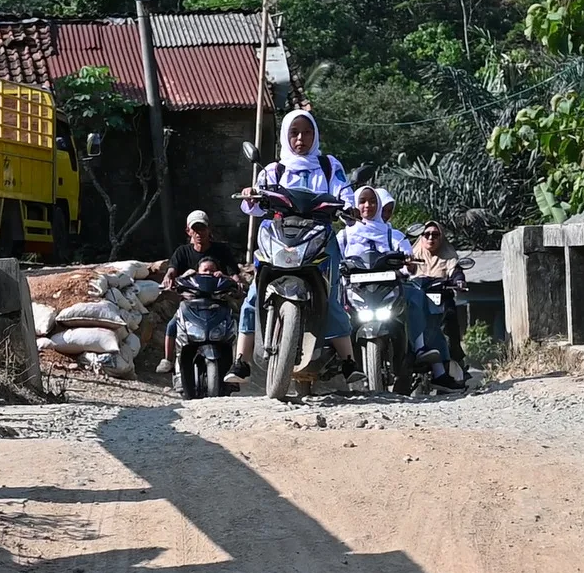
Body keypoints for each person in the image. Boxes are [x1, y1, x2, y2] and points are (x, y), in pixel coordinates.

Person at [227, 109, 364, 386]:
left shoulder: (329, 166)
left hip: (319, 233)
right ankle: (240, 361)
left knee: (332, 294)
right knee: (255, 293)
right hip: (278, 231)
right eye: (294, 132)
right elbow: (253, 203)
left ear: (315, 135)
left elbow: (344, 194)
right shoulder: (273, 170)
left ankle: (348, 361)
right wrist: (249, 194)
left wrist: (349, 208)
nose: (301, 138)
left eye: (307, 132)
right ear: (285, 136)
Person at [340, 187, 458, 390]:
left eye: (372, 202)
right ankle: (335, 357)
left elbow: (407, 255)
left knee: (416, 298)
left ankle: (420, 348)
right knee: (334, 309)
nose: (368, 206)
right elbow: (334, 258)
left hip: (387, 287)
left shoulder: (390, 234)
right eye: (363, 201)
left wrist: (409, 263)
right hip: (355, 289)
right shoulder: (345, 235)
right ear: (355, 205)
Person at [157, 256, 232, 374]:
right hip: (191, 311)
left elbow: (235, 285)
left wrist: (224, 277)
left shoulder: (221, 281)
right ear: (198, 271)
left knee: (235, 326)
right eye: (205, 270)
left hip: (216, 311)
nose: (208, 273)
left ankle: (237, 363)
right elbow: (175, 283)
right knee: (172, 324)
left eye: (212, 270)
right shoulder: (190, 279)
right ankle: (167, 359)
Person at [412, 220, 468, 373]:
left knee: (449, 321)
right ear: (421, 237)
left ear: (441, 238)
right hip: (417, 303)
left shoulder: (449, 257)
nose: (431, 238)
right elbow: (403, 272)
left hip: (441, 301)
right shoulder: (412, 256)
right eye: (427, 234)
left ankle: (454, 359)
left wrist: (459, 281)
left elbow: (456, 273)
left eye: (435, 235)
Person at [163, 211, 241, 291]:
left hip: (218, 296)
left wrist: (237, 283)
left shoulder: (222, 250)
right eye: (195, 229)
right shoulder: (182, 252)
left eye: (202, 228)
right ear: (188, 231)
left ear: (209, 229)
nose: (199, 233)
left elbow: (233, 274)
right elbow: (172, 270)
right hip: (189, 297)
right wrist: (168, 277)